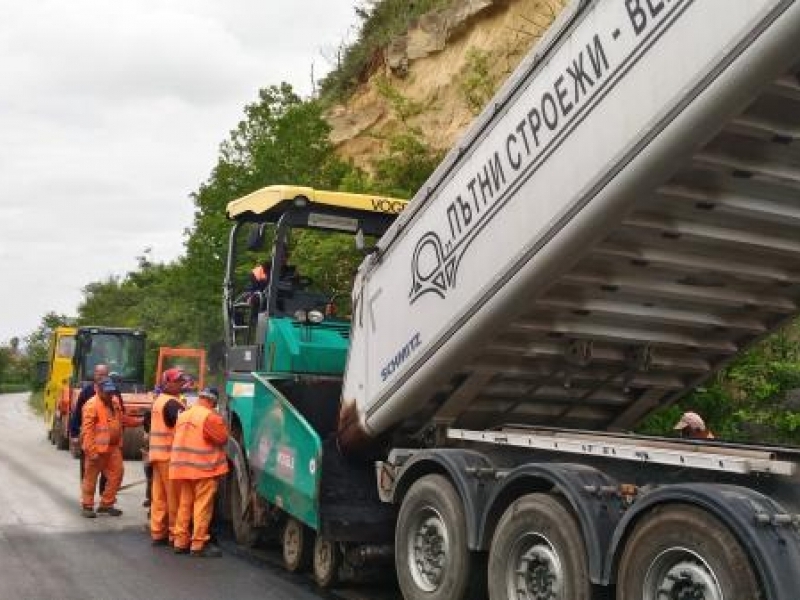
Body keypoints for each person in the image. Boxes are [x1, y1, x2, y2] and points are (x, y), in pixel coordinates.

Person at [170, 387, 228, 557]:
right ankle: (198, 544)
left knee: (185, 505)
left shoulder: (185, 414)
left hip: (184, 468)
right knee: (202, 506)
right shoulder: (210, 416)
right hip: (204, 468)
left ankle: (180, 541)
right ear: (212, 401)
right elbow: (222, 438)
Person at [80, 377, 142, 517]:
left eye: (112, 392)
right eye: (107, 392)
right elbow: (87, 431)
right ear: (99, 390)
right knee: (90, 478)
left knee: (117, 474)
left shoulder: (114, 402)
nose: (110, 395)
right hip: (96, 449)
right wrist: (91, 452)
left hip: (112, 448)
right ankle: (87, 506)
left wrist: (140, 421)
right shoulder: (91, 405)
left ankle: (106, 504)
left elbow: (122, 420)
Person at [70, 363, 126, 493]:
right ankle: (87, 501)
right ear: (94, 375)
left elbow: (120, 414)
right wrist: (73, 434)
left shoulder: (115, 392)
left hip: (111, 444)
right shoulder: (87, 392)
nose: (102, 377)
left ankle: (105, 500)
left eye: (104, 374)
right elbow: (77, 414)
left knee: (112, 474)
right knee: (89, 474)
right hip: (91, 442)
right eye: (99, 374)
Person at [149, 368, 188, 546]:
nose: (182, 383)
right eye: (178, 380)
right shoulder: (173, 404)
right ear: (168, 383)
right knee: (175, 499)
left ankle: (158, 532)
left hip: (157, 456)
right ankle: (174, 534)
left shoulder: (159, 401)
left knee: (159, 497)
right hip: (169, 457)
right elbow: (185, 426)